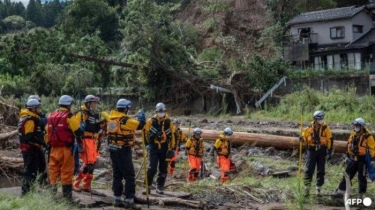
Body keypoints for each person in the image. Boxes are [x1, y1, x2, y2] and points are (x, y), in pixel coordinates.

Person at [106, 98, 145, 208]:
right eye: (128, 108)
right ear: (126, 108)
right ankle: (129, 201)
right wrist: (142, 116)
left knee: (117, 174)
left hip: (113, 149)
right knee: (129, 176)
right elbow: (140, 125)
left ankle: (117, 199)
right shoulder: (125, 121)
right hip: (123, 150)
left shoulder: (111, 119)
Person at [46, 95, 83, 203]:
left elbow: (47, 133)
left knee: (53, 172)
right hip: (66, 149)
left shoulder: (50, 116)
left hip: (53, 149)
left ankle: (52, 198)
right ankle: (68, 200)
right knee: (66, 172)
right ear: (69, 105)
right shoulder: (69, 116)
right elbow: (78, 132)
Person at [331, 118, 375, 198]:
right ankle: (340, 191)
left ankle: (362, 195)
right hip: (353, 159)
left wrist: (373, 160)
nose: (356, 127)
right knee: (347, 175)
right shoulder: (353, 134)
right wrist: (347, 155)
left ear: (362, 126)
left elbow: (372, 148)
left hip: (362, 160)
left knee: (362, 178)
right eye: (355, 126)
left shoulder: (368, 136)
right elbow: (348, 144)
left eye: (357, 126)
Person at [143, 102, 175, 194]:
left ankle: (160, 186)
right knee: (152, 168)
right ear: (156, 111)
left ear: (165, 111)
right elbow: (145, 132)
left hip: (165, 147)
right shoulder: (151, 121)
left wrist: (172, 148)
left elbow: (172, 135)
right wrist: (147, 144)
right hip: (154, 146)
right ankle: (147, 186)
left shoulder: (169, 122)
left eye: (162, 111)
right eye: (159, 111)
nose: (161, 112)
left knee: (163, 169)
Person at [73, 95, 103, 193]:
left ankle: (87, 185)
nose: (95, 105)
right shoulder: (82, 113)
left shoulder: (93, 114)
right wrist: (79, 144)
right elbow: (76, 129)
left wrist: (103, 123)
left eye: (96, 103)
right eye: (94, 103)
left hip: (93, 141)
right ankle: (76, 183)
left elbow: (95, 128)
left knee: (92, 163)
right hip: (85, 140)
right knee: (89, 164)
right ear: (88, 103)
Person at [299, 111, 333, 196]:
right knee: (309, 169)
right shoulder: (309, 128)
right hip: (311, 151)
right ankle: (307, 189)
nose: (321, 120)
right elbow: (304, 138)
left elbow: (330, 140)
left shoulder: (326, 128)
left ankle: (318, 189)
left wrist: (329, 151)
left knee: (321, 170)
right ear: (315, 119)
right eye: (319, 119)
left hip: (322, 151)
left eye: (322, 118)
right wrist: (302, 139)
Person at [18, 98, 47, 195]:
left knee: (40, 167)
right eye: (38, 108)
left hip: (34, 148)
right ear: (33, 109)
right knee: (30, 171)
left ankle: (34, 188)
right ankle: (26, 192)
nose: (40, 110)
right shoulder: (30, 120)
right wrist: (42, 143)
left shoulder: (29, 117)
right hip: (30, 149)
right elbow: (29, 137)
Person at [27, 94, 48, 187]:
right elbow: (29, 135)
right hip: (31, 146)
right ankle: (30, 188)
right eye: (38, 106)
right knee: (31, 168)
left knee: (42, 165)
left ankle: (42, 183)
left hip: (38, 144)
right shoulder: (30, 118)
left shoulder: (38, 116)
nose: (40, 108)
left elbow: (44, 123)